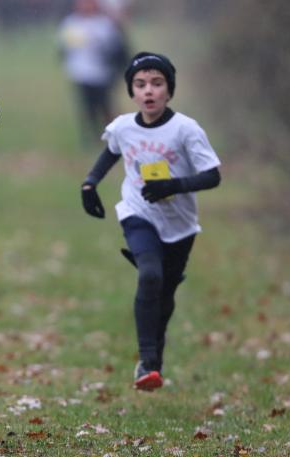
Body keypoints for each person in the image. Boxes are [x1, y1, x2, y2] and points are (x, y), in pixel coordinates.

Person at [80, 52, 221, 390]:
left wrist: (173, 185)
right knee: (150, 275)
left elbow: (212, 176)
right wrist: (89, 184)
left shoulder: (186, 129)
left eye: (157, 83)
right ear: (132, 91)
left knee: (165, 290)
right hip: (138, 212)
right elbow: (111, 152)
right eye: (140, 84)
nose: (148, 90)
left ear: (169, 90)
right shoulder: (123, 127)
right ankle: (147, 362)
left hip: (180, 224)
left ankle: (156, 353)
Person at [58, 0, 128, 146]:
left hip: (102, 73)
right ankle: (91, 137)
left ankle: (112, 134)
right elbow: (64, 48)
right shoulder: (71, 23)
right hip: (80, 73)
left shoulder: (104, 23)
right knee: (87, 107)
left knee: (105, 106)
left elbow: (116, 48)